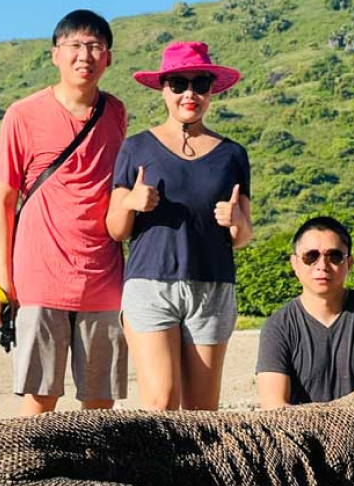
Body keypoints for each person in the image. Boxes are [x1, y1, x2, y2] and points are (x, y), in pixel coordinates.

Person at [0, 9, 128, 416]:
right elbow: (3, 203)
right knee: (39, 397)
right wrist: (1, 283)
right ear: (55, 55)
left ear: (109, 58)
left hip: (103, 276)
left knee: (100, 401)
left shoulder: (116, 113)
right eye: (75, 46)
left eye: (96, 46)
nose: (86, 55)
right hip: (39, 277)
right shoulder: (22, 115)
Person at [108, 41, 252, 411]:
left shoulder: (233, 154)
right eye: (179, 84)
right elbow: (116, 228)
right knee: (161, 402)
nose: (190, 93)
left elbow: (242, 236)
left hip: (212, 285)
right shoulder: (136, 147)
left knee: (203, 411)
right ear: (163, 89)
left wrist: (236, 222)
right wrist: (131, 202)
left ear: (211, 91)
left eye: (200, 83)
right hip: (150, 284)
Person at [256, 217, 354, 408]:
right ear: (295, 263)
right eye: (311, 256)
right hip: (303, 432)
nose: (322, 265)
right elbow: (273, 405)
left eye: (334, 256)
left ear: (349, 263)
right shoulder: (278, 326)